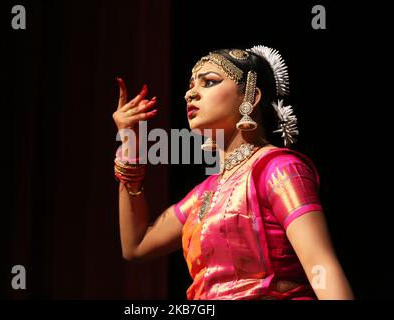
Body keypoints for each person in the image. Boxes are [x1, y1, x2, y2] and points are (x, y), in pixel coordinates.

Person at [112, 45, 354, 300]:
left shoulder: (277, 169)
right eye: (192, 84)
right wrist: (129, 141)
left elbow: (321, 265)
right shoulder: (204, 194)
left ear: (251, 95)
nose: (190, 94)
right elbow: (136, 245)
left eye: (209, 82)